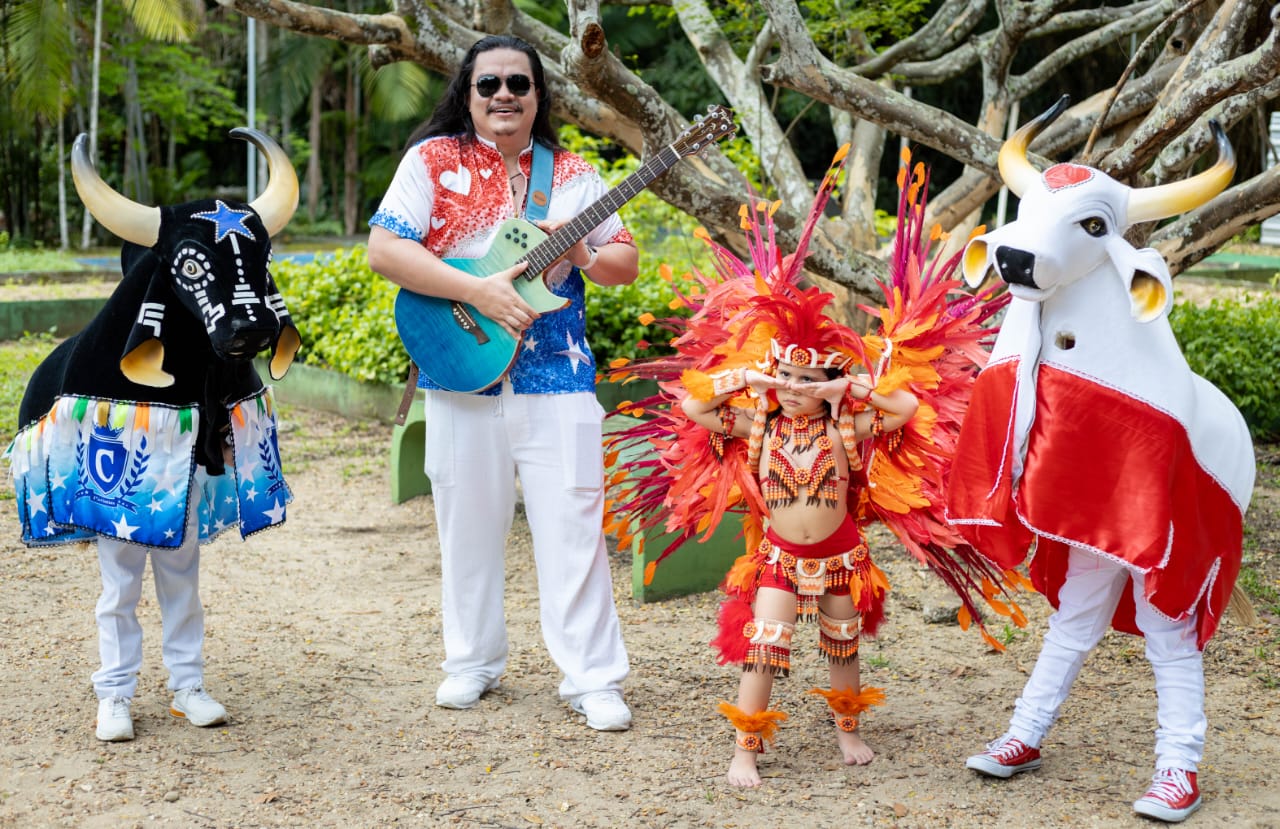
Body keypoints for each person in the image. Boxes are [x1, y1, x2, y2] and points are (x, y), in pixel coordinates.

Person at [366, 35, 636, 731]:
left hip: (558, 373)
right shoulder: (431, 161)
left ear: (539, 94)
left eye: (519, 82)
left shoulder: (572, 173)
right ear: (468, 92)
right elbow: (385, 249)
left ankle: (591, 676)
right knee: (466, 524)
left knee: (573, 525)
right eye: (489, 85)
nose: (504, 95)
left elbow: (623, 262)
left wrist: (582, 248)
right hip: (462, 369)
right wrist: (478, 292)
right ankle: (471, 661)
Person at [681, 290, 918, 787]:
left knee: (842, 647)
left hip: (842, 558)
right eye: (785, 374)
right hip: (781, 560)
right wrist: (748, 378)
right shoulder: (758, 426)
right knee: (764, 646)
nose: (791, 387)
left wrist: (847, 388)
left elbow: (906, 407)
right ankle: (746, 750)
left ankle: (848, 732)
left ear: (829, 386)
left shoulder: (845, 428)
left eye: (807, 380)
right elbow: (694, 405)